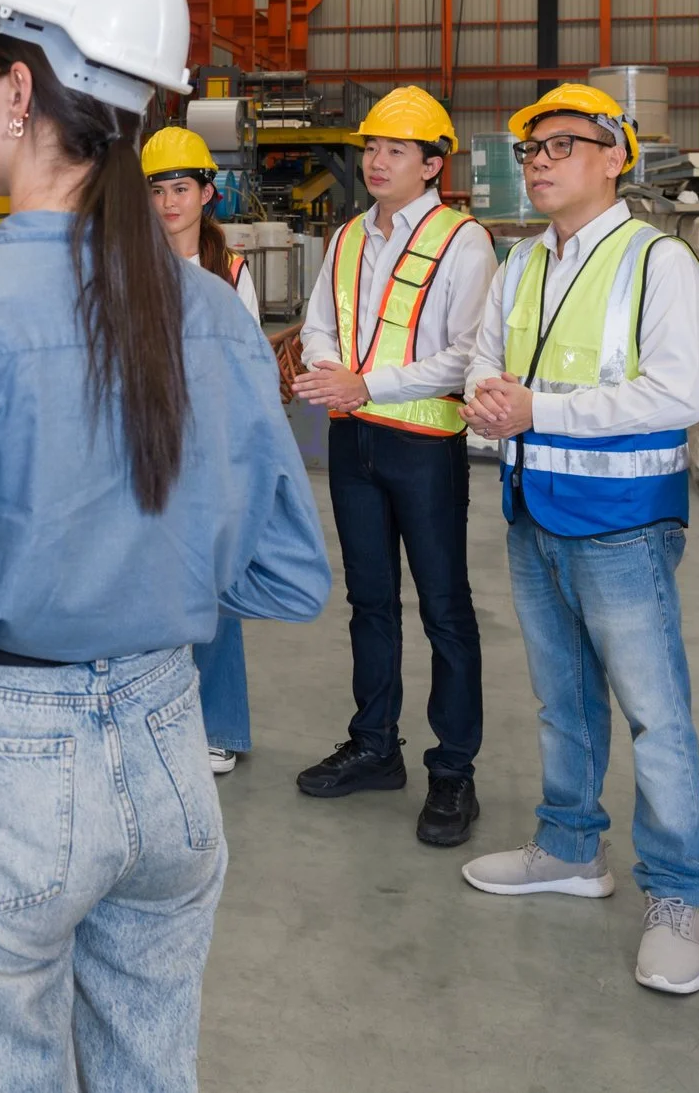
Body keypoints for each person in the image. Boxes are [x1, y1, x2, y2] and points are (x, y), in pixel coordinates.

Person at [0, 0, 332, 1093]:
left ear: (17, 91)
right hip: (169, 752)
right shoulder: (213, 312)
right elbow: (285, 574)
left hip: (4, 755)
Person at [457, 82, 699, 996]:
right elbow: (487, 354)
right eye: (531, 147)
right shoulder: (521, 262)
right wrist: (492, 397)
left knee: (655, 714)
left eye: (563, 144)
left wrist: (539, 410)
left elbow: (680, 393)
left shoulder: (659, 262)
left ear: (616, 157)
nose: (538, 160)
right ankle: (570, 847)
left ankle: (680, 896)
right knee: (561, 698)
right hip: (532, 506)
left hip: (622, 521)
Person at [287, 86, 494, 847]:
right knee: (370, 601)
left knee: (444, 609)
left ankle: (453, 770)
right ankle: (375, 744)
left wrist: (367, 382)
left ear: (433, 163)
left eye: (394, 150)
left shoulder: (461, 240)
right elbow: (318, 326)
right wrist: (328, 367)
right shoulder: (346, 238)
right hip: (353, 443)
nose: (375, 160)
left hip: (423, 446)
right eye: (371, 148)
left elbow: (466, 355)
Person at [142, 123, 264, 775]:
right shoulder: (128, 266)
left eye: (180, 188)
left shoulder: (231, 271)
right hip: (145, 445)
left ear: (207, 193)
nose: (168, 203)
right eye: (157, 189)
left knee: (214, 591)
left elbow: (245, 369)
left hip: (208, 449)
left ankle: (218, 725)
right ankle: (152, 718)